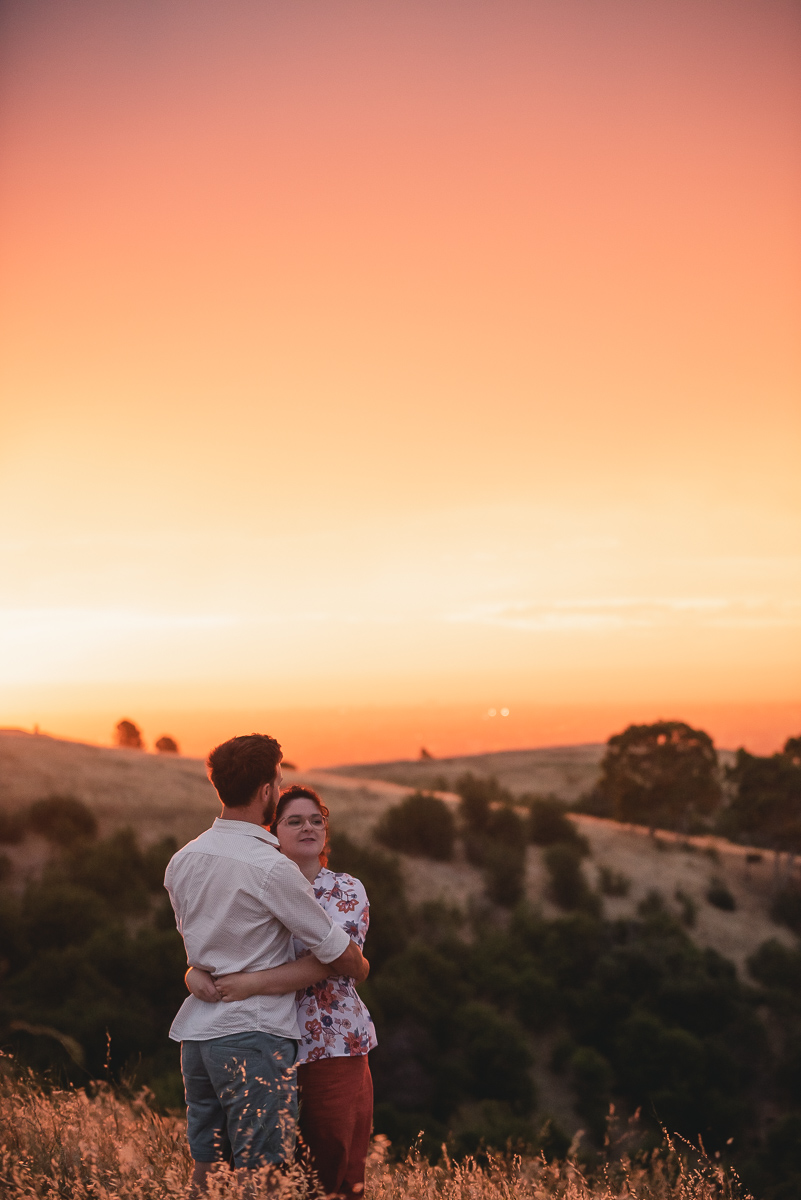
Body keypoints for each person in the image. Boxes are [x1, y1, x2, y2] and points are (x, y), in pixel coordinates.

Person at [164, 734, 368, 1195]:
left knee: (208, 1172)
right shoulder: (269, 867)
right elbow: (336, 952)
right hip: (252, 1036)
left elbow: (196, 951)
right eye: (277, 783)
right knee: (265, 1179)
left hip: (197, 1038)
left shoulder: (183, 860)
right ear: (266, 792)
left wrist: (196, 973)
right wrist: (357, 964)